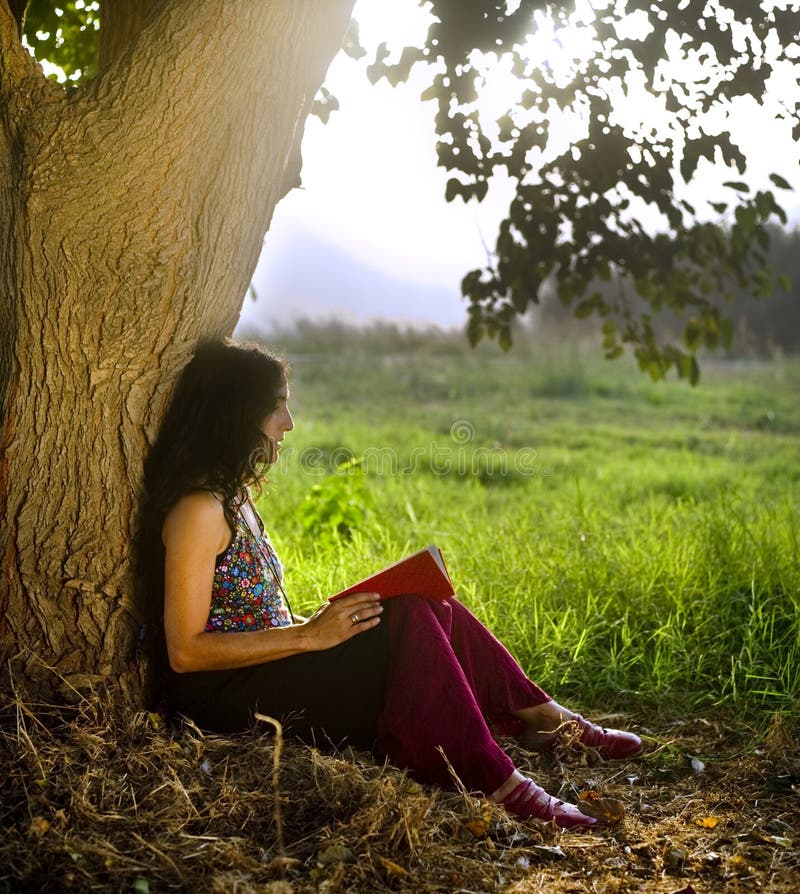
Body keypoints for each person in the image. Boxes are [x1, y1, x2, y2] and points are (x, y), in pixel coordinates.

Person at [142, 339, 641, 831]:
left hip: (270, 664)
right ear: (235, 413)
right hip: (226, 696)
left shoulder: (236, 497)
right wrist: (308, 637)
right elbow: (185, 652)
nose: (289, 424)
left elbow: (250, 614)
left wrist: (319, 627)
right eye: (276, 409)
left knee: (420, 600)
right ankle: (496, 778)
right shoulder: (198, 511)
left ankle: (544, 716)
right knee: (405, 617)